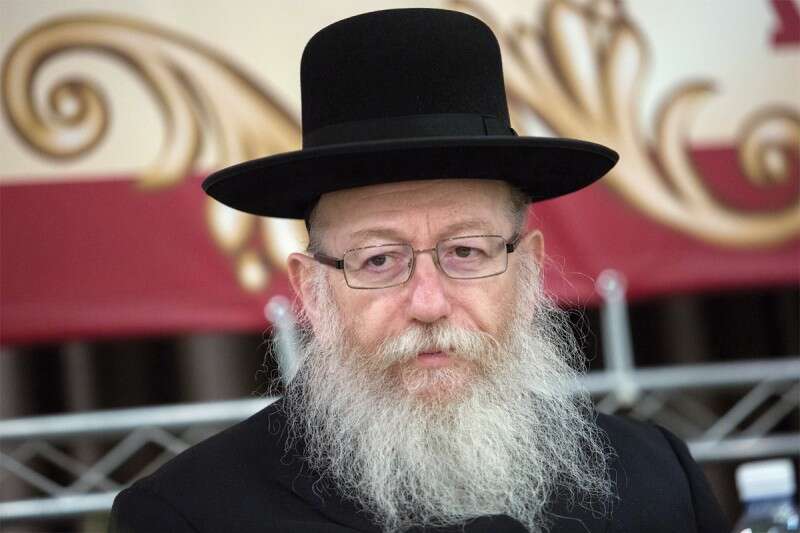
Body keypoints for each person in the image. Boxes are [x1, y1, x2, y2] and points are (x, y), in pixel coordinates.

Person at [109, 8, 730, 533]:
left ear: (529, 271)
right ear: (312, 290)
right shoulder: (188, 515)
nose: (429, 303)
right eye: (379, 260)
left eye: (467, 252)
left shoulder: (655, 481)